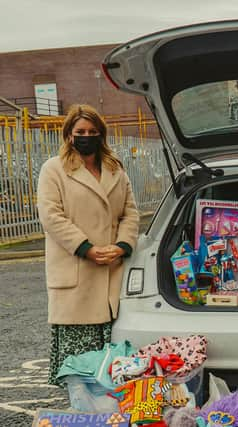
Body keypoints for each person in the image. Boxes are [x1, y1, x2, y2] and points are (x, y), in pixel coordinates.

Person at [37, 104, 139, 386]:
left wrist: (122, 245)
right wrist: (86, 248)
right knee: (79, 372)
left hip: (111, 269)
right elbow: (50, 216)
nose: (86, 136)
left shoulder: (115, 168)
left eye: (93, 131)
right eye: (80, 131)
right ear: (69, 135)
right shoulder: (53, 169)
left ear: (101, 135)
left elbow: (130, 212)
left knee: (111, 370)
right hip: (77, 268)